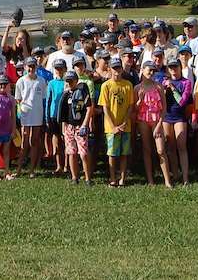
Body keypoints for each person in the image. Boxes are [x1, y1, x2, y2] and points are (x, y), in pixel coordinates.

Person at [100, 57, 134, 187]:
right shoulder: (106, 85)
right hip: (111, 127)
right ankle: (113, 178)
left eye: (118, 68)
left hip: (125, 125)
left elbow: (131, 106)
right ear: (109, 69)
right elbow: (105, 107)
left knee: (124, 153)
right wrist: (113, 126)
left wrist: (125, 122)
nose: (116, 71)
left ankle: (122, 178)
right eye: (114, 68)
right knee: (112, 154)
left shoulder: (128, 85)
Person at [134, 62, 169, 187]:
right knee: (147, 149)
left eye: (153, 71)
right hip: (143, 120)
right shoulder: (137, 88)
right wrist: (139, 100)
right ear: (142, 70)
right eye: (149, 70)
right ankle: (150, 180)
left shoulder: (158, 87)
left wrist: (159, 125)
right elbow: (135, 109)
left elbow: (164, 108)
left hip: (156, 120)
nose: (151, 73)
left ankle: (167, 180)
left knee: (160, 150)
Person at [161, 57, 192, 185]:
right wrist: (164, 90)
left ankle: (185, 177)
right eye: (171, 67)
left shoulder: (186, 82)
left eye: (175, 67)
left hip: (179, 116)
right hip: (167, 116)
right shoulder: (163, 82)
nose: (173, 70)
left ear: (180, 67)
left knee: (181, 146)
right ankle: (175, 174)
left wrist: (172, 89)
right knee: (170, 147)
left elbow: (182, 102)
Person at [15, 56, 47, 178]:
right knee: (24, 143)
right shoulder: (21, 81)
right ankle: (18, 169)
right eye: (29, 66)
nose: (31, 68)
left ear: (36, 67)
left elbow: (43, 97)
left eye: (33, 66)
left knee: (34, 141)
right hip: (25, 114)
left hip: (37, 115)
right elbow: (18, 99)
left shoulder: (41, 81)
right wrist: (20, 112)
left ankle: (32, 169)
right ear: (25, 67)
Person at [60, 69, 94, 185]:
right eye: (67, 81)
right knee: (71, 152)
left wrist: (85, 124)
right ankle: (74, 177)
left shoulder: (83, 90)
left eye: (71, 81)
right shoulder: (66, 94)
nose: (69, 84)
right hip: (69, 126)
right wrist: (64, 128)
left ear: (76, 80)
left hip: (80, 126)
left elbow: (89, 108)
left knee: (83, 153)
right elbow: (63, 113)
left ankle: (87, 178)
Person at [44, 58, 68, 175]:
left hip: (65, 115)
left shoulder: (68, 83)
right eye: (57, 68)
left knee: (66, 140)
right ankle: (59, 165)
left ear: (65, 69)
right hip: (54, 115)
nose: (58, 70)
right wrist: (47, 117)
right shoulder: (51, 83)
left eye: (61, 68)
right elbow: (48, 101)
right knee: (57, 140)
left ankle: (67, 165)